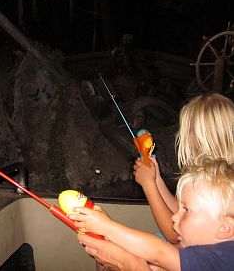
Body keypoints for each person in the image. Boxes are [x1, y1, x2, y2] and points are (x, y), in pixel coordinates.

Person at [70, 158, 234, 270]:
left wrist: (106, 227)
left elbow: (159, 252)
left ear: (225, 227)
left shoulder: (225, 258)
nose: (174, 217)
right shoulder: (208, 249)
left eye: (186, 210)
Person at [134, 93, 234, 243]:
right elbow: (180, 211)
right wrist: (156, 179)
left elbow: (175, 235)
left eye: (188, 130)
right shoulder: (204, 173)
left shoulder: (219, 184)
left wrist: (149, 186)